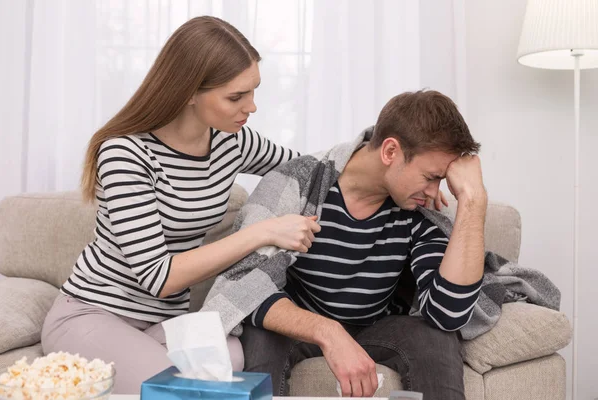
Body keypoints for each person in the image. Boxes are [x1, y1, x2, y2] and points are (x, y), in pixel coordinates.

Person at [40, 16, 323, 394]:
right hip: (92, 316)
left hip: (162, 328)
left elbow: (311, 169)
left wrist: (401, 171)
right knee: (186, 388)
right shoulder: (126, 153)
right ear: (189, 91)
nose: (252, 107)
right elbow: (159, 278)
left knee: (235, 356)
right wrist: (262, 232)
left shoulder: (231, 142)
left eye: (253, 92)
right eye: (236, 97)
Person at [203, 90, 486, 400]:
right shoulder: (299, 182)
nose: (434, 190)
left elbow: (447, 314)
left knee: (436, 337)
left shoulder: (421, 209)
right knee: (258, 336)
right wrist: (328, 332)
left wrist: (473, 202)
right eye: (431, 176)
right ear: (390, 151)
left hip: (378, 325)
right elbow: (243, 288)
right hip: (301, 322)